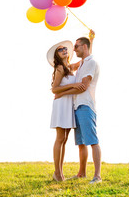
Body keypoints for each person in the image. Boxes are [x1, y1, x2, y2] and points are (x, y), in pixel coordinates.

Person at [54, 30, 102, 184]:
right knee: (78, 142)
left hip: (83, 105)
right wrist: (90, 41)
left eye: (74, 46)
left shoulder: (84, 64)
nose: (71, 49)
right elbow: (86, 56)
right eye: (62, 49)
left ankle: (97, 176)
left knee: (90, 140)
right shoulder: (73, 66)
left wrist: (63, 92)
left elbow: (83, 84)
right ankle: (77, 173)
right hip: (72, 106)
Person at [47, 40, 85, 182]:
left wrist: (90, 41)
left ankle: (60, 173)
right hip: (61, 105)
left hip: (68, 103)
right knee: (60, 138)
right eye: (60, 49)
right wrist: (73, 86)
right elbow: (54, 89)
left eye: (65, 49)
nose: (64, 50)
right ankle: (57, 173)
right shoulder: (60, 69)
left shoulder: (68, 67)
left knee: (64, 139)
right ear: (57, 55)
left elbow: (85, 59)